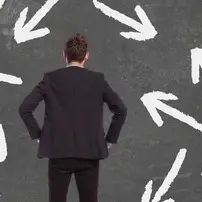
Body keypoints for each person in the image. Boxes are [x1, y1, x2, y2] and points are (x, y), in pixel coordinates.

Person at [18, 33, 127, 202]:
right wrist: (109, 141)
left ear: (64, 54)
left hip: (58, 152)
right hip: (89, 152)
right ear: (86, 56)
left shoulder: (50, 79)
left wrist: (40, 137)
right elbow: (120, 110)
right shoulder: (97, 80)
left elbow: (25, 108)